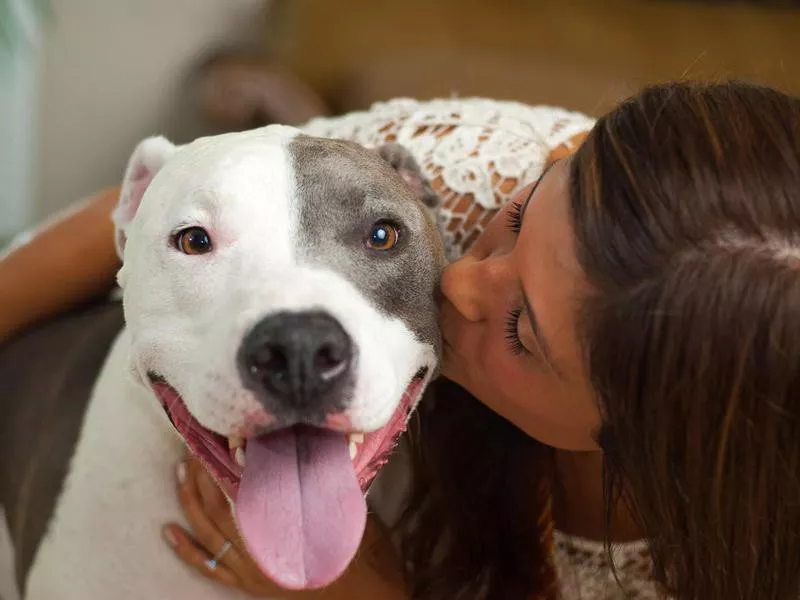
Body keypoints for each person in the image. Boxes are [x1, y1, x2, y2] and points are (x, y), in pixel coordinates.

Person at [1, 81, 799, 600]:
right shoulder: (472, 172)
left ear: (655, 440)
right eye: (518, 221)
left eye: (521, 330)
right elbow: (168, 195)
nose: (457, 283)